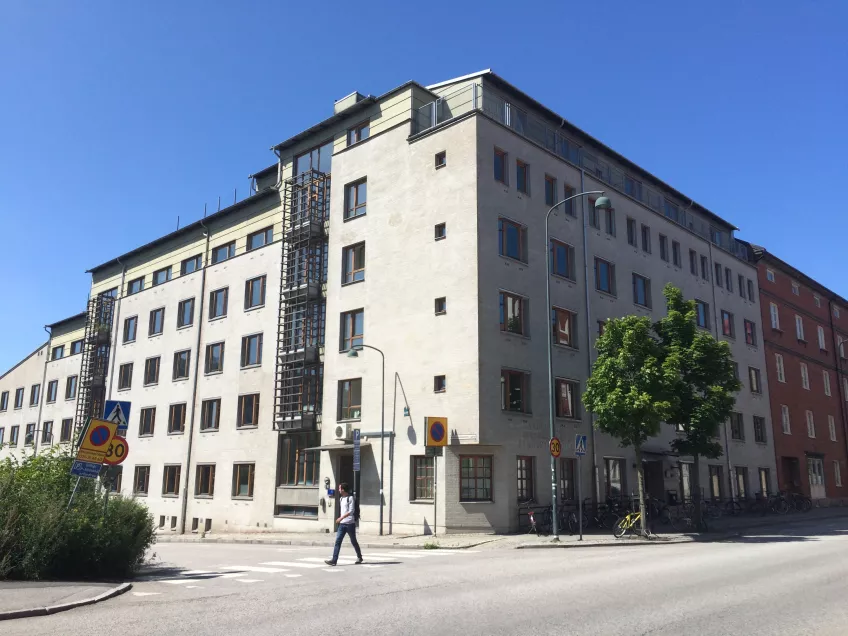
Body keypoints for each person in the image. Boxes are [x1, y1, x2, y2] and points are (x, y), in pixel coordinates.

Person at [325, 482, 363, 566]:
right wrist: (341, 519)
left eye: (339, 488)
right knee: (338, 542)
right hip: (342, 525)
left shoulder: (351, 498)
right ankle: (334, 560)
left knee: (353, 541)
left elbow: (351, 511)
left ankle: (359, 557)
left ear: (343, 489)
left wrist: (341, 518)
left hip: (350, 524)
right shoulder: (341, 498)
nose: (338, 490)